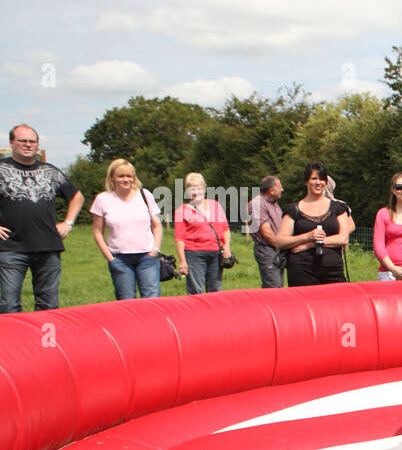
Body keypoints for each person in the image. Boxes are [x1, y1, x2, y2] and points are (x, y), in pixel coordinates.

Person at [0, 124, 83, 313]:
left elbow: (77, 196)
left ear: (37, 145)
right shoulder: (1, 168)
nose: (28, 145)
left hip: (48, 246)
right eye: (22, 140)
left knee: (49, 305)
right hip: (11, 248)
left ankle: (46, 342)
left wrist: (68, 223)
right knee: (9, 304)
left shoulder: (51, 171)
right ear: (12, 143)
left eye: (32, 141)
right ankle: (10, 342)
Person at [89, 159, 164, 299]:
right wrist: (110, 258)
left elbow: (157, 225)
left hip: (147, 257)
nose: (126, 179)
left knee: (152, 301)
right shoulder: (102, 199)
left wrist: (155, 250)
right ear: (112, 177)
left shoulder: (145, 195)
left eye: (129, 176)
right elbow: (97, 232)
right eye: (121, 176)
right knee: (126, 302)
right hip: (120, 259)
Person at [278, 162, 354, 286]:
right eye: (314, 178)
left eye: (322, 179)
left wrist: (310, 244)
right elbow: (280, 241)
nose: (318, 182)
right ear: (306, 181)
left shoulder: (338, 208)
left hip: (333, 268)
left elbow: (343, 238)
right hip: (301, 269)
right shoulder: (293, 209)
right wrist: (307, 236)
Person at [174, 172, 233, 294]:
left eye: (199, 188)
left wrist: (227, 246)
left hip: (216, 253)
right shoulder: (182, 210)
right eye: (192, 189)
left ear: (204, 189)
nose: (196, 192)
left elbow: (225, 228)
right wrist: (182, 260)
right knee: (196, 290)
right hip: (194, 254)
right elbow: (179, 238)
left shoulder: (215, 205)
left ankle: (214, 313)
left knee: (215, 289)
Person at [246, 175, 285, 288]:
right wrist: (281, 245)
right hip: (268, 249)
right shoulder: (258, 204)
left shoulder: (274, 204)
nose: (282, 189)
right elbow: (266, 232)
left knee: (279, 285)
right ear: (271, 190)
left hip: (276, 249)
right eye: (280, 187)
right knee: (273, 285)